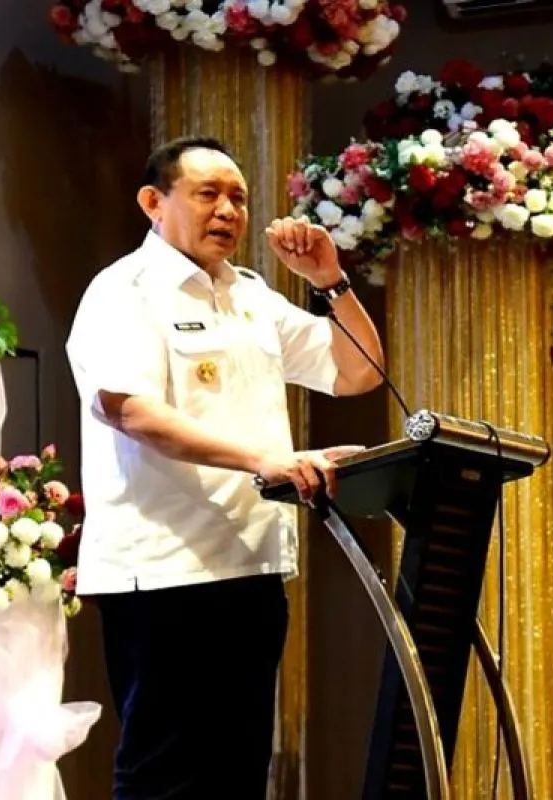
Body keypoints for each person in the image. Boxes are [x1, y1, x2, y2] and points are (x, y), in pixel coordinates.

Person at [64, 135, 384, 799]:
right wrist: (267, 460)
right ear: (154, 202)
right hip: (164, 572)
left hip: (252, 565)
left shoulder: (251, 296)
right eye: (207, 193)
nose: (228, 210)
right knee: (162, 778)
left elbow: (359, 372)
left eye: (238, 197)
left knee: (237, 777)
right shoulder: (125, 291)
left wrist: (330, 281)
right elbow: (134, 413)